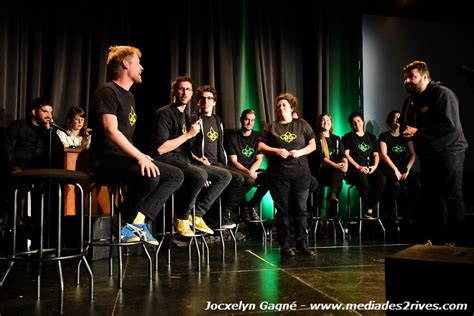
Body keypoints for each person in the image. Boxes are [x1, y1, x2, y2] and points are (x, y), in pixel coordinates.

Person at [89, 45, 183, 245]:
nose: (141, 68)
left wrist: (140, 155)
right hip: (105, 159)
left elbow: (126, 136)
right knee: (149, 176)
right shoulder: (107, 91)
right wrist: (139, 156)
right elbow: (110, 130)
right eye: (138, 63)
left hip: (123, 157)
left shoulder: (130, 96)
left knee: (175, 175)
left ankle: (138, 222)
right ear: (125, 64)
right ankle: (121, 221)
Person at [150, 77, 231, 236]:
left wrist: (197, 159)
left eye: (188, 89)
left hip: (184, 161)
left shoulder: (186, 116)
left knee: (225, 176)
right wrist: (188, 135)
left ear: (191, 93)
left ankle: (198, 214)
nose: (184, 92)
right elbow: (161, 149)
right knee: (199, 175)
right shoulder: (164, 113)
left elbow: (187, 149)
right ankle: (181, 217)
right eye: (181, 88)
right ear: (174, 91)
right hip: (167, 161)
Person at [400, 60, 468, 245]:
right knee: (434, 198)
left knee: (452, 196)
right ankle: (440, 241)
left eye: (412, 77)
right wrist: (407, 133)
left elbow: (449, 126)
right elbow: (407, 125)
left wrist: (418, 132)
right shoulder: (411, 101)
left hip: (449, 152)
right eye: (405, 78)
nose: (407, 81)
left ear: (425, 77)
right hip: (428, 154)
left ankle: (457, 242)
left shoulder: (442, 94)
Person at [258, 92, 316, 256]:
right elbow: (260, 147)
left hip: (300, 174)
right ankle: (284, 245)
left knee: (300, 208)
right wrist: (276, 150)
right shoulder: (271, 127)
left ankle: (302, 243)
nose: (281, 108)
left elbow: (313, 145)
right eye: (278, 106)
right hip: (278, 175)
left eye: (284, 105)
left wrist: (300, 152)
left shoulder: (302, 124)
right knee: (283, 210)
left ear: (291, 108)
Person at [192, 85, 252, 228]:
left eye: (209, 99)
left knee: (248, 180)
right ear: (198, 102)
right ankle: (215, 217)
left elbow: (220, 145)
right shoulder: (193, 119)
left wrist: (223, 163)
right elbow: (187, 148)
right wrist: (199, 167)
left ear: (214, 102)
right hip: (203, 165)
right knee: (236, 178)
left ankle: (222, 213)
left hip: (218, 164)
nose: (206, 101)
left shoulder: (217, 120)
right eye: (203, 99)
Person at [379, 110, 421, 224]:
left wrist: (407, 169)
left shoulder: (405, 136)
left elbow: (413, 154)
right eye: (395, 118)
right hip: (389, 168)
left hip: (403, 168)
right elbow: (384, 154)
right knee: (395, 185)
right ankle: (390, 214)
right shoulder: (384, 136)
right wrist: (395, 170)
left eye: (399, 118)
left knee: (417, 185)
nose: (398, 120)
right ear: (390, 120)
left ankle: (407, 213)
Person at [342, 112, 386, 218]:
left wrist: (374, 166)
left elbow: (376, 154)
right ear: (351, 125)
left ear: (363, 122)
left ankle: (369, 207)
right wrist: (358, 166)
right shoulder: (348, 137)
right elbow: (346, 154)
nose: (357, 124)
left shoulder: (371, 137)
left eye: (358, 121)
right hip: (355, 169)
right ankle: (369, 208)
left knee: (382, 179)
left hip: (370, 167)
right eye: (354, 122)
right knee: (364, 181)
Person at [225, 109, 266, 222]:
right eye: (247, 119)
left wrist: (252, 171)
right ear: (241, 120)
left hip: (253, 170)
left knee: (270, 177)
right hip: (238, 170)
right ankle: (242, 207)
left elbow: (259, 159)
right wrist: (248, 173)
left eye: (252, 120)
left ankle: (252, 205)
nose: (249, 123)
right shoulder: (232, 137)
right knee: (243, 180)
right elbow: (233, 161)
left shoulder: (258, 136)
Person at [4, 97, 63, 174]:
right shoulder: (18, 126)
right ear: (34, 112)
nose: (49, 116)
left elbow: (58, 150)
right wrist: (13, 167)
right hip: (21, 169)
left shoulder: (49, 131)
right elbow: (7, 148)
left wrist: (49, 131)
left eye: (51, 112)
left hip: (42, 172)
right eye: (45, 111)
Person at [314, 113, 348, 218]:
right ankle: (333, 212)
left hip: (334, 173)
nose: (326, 122)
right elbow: (320, 157)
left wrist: (345, 163)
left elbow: (342, 154)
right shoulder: (316, 139)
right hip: (321, 173)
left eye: (328, 120)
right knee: (338, 177)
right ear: (320, 123)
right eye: (323, 120)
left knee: (339, 176)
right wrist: (336, 165)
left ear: (331, 123)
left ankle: (331, 197)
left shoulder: (337, 139)